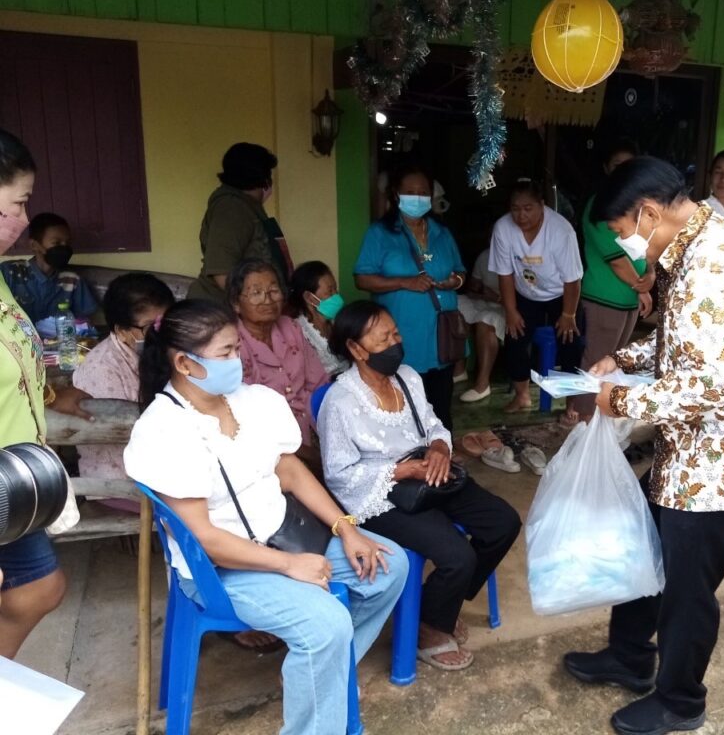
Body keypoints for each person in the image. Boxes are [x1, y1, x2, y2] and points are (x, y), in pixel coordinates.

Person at [564, 157, 724, 735]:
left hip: (720, 458)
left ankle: (681, 701)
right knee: (644, 546)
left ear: (648, 214)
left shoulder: (714, 263)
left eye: (622, 231)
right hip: (690, 451)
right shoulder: (695, 245)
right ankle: (629, 656)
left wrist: (617, 400)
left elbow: (705, 387)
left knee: (688, 586)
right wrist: (621, 358)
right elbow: (685, 340)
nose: (624, 244)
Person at [123, 299, 407, 734]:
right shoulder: (163, 430)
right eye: (225, 353)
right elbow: (203, 538)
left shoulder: (253, 402)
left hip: (286, 536)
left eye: (237, 348)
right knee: (326, 625)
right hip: (222, 569)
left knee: (389, 566)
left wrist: (345, 528)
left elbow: (289, 471)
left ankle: (317, 670)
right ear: (184, 362)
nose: (238, 360)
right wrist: (289, 565)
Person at [320, 301, 521, 672]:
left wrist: (440, 447)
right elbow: (339, 474)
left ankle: (435, 606)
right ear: (356, 349)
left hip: (428, 475)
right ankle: (429, 626)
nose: (395, 343)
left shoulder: (408, 377)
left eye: (396, 334)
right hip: (378, 495)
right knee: (458, 555)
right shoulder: (341, 401)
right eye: (384, 339)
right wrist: (400, 472)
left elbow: (432, 424)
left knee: (503, 522)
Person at [0, 129, 93, 659]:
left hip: (14, 480)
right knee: (37, 586)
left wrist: (55, 394)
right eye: (19, 203)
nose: (23, 217)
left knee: (39, 588)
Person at [354, 165, 465, 431]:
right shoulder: (380, 233)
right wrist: (405, 282)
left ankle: (442, 449)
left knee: (440, 407)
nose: (417, 197)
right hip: (401, 336)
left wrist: (455, 281)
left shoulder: (442, 233)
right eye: (410, 192)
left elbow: (461, 271)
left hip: (440, 337)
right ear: (396, 194)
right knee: (404, 407)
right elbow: (362, 279)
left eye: (423, 192)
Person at [73, 273, 174, 510]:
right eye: (150, 327)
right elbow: (128, 436)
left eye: (166, 323)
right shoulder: (102, 369)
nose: (161, 332)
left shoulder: (165, 353)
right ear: (122, 330)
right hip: (121, 482)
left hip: (164, 471)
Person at [489, 179, 584, 417]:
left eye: (528, 208)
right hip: (526, 293)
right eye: (515, 209)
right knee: (514, 339)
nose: (521, 215)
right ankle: (522, 396)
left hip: (562, 295)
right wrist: (511, 311)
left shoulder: (561, 230)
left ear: (542, 205)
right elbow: (505, 274)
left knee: (571, 344)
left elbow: (573, 280)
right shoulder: (503, 228)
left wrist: (568, 314)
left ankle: (571, 403)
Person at [573, 143, 653, 422]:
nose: (624, 171)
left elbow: (648, 249)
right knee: (596, 360)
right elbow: (617, 259)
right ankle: (583, 417)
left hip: (630, 296)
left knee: (616, 361)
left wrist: (650, 276)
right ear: (607, 168)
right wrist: (642, 287)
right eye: (618, 164)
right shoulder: (600, 205)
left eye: (629, 165)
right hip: (604, 297)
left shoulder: (638, 206)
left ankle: (602, 417)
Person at [229, 260, 329, 468]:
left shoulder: (290, 327)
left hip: (313, 426)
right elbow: (248, 418)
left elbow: (319, 382)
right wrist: (311, 456)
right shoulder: (231, 343)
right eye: (256, 293)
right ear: (236, 303)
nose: (267, 300)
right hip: (270, 444)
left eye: (274, 291)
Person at [188, 143, 291, 305]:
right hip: (223, 310)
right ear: (263, 177)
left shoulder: (247, 207)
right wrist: (254, 308)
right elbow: (222, 272)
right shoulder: (231, 208)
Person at [0, 212, 98, 324]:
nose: (64, 248)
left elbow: (84, 322)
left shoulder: (72, 280)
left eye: (67, 243)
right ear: (34, 245)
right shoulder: (9, 273)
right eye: (56, 243)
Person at [455, 246, 505, 403]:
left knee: (485, 319)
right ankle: (459, 370)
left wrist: (496, 298)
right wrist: (477, 289)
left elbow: (524, 299)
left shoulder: (518, 257)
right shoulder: (485, 256)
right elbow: (474, 283)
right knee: (455, 304)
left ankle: (482, 385)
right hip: (485, 301)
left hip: (507, 308)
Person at [288, 260, 348, 378]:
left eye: (335, 289)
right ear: (310, 298)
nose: (336, 296)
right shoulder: (299, 333)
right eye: (330, 291)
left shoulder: (337, 321)